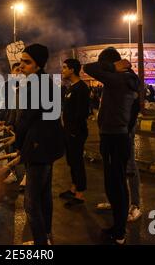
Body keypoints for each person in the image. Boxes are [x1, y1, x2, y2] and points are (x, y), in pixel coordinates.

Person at [83, 47, 140, 245]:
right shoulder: (128, 80)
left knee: (115, 185)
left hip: (114, 138)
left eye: (105, 64)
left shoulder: (118, 79)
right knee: (116, 183)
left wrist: (111, 67)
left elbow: (88, 67)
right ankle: (118, 227)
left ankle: (119, 232)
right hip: (119, 136)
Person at [16, 44, 65, 245]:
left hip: (37, 149)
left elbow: (25, 120)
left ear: (38, 65)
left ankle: (40, 244)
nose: (21, 66)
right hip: (48, 147)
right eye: (21, 61)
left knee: (31, 202)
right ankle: (45, 236)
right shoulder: (48, 83)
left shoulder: (34, 86)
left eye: (27, 62)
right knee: (44, 195)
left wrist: (20, 146)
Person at [59, 59, 90, 207]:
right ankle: (73, 188)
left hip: (76, 132)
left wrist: (73, 131)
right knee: (71, 161)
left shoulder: (81, 88)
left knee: (77, 162)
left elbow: (82, 113)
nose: (62, 70)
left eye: (65, 68)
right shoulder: (70, 88)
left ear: (72, 70)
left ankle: (80, 194)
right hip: (68, 131)